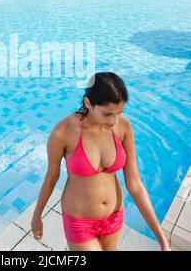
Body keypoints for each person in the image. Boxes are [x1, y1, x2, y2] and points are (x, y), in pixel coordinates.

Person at [31, 72, 171, 251]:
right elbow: (51, 178)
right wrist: (37, 215)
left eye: (119, 113)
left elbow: (134, 184)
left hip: (114, 217)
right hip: (80, 222)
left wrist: (162, 240)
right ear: (88, 103)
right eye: (107, 114)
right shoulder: (63, 132)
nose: (114, 121)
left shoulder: (124, 127)